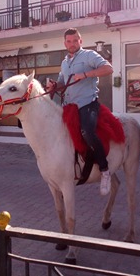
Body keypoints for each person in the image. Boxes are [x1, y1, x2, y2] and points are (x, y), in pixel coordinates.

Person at [46, 28, 113, 195]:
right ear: (65, 43)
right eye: (69, 41)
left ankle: (104, 170)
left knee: (87, 132)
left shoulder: (89, 55)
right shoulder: (64, 62)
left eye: (75, 41)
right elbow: (63, 83)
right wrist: (55, 86)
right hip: (70, 106)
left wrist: (86, 74)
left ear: (80, 41)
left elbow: (108, 69)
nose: (72, 44)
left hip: (87, 103)